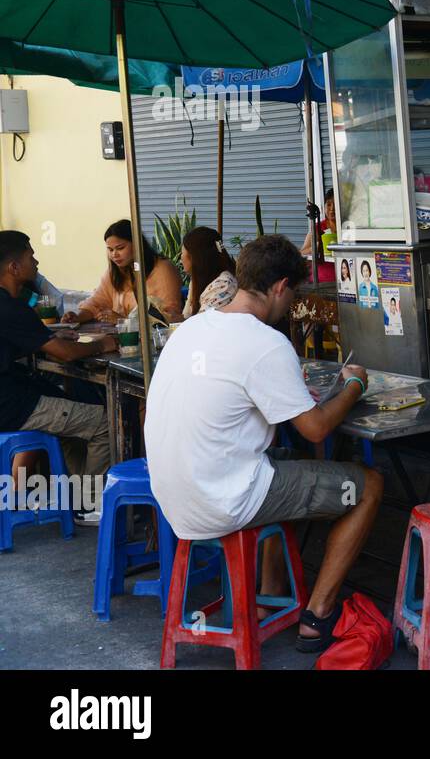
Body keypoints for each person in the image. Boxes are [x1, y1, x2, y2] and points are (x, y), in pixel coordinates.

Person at [145, 233, 382, 652]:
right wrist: (353, 386)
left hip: (174, 497)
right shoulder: (265, 342)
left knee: (283, 459)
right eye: (293, 293)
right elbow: (316, 429)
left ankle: (271, 593)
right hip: (222, 500)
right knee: (369, 486)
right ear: (279, 287)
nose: (292, 304)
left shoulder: (192, 328)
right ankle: (318, 614)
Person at [0, 231, 118, 523]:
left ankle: (79, 499)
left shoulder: (10, 306)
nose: (36, 261)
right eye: (30, 256)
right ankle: (91, 506)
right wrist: (101, 344)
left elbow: (26, 339)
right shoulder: (10, 307)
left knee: (71, 407)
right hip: (12, 404)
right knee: (103, 422)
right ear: (14, 268)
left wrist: (52, 336)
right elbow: (63, 354)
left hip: (14, 394)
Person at [64, 220, 183, 325]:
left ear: (136, 244)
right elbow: (96, 302)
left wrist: (124, 321)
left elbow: (169, 316)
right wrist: (77, 316)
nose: (114, 254)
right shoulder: (114, 272)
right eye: (110, 250)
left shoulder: (163, 269)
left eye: (120, 248)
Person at [181, 226, 238, 318]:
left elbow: (203, 323)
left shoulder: (223, 284)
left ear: (195, 257)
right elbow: (187, 316)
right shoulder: (197, 281)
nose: (181, 259)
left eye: (182, 253)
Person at [299, 188, 336, 283]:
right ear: (323, 207)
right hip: (321, 281)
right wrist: (316, 247)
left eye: (336, 204)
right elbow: (302, 252)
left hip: (344, 278)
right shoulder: (317, 227)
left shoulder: (347, 227)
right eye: (329, 204)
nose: (332, 209)